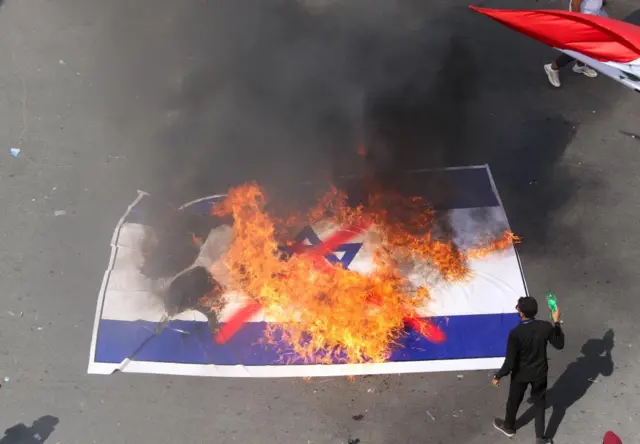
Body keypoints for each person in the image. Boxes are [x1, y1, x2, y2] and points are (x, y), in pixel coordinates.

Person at [491, 296, 565, 444]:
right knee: (539, 404)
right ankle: (540, 438)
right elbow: (559, 344)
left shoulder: (516, 333)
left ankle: (509, 427)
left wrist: (498, 376)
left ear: (522, 313)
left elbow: (510, 362)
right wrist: (556, 322)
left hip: (520, 374)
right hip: (540, 373)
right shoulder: (545, 327)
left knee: (514, 400)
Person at [544, 0, 608, 88]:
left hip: (594, 19)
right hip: (582, 22)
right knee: (579, 50)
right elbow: (575, 4)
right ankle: (553, 67)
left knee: (590, 47)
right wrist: (578, 23)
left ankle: (580, 66)